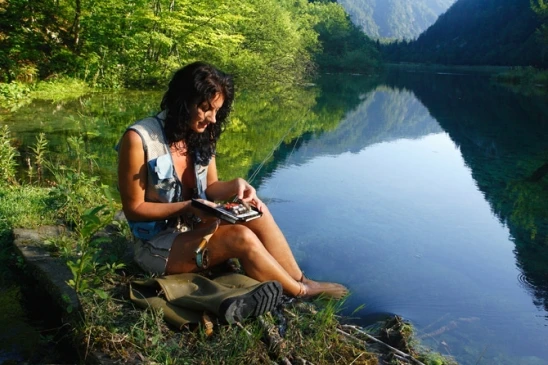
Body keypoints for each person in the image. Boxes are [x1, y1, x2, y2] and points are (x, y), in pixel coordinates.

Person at [117, 61, 347, 299]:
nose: (213, 118)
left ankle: (299, 278)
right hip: (157, 244)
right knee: (241, 237)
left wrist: (237, 185)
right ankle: (301, 292)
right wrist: (189, 206)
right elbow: (134, 210)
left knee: (257, 211)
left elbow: (211, 187)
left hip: (193, 227)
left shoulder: (202, 133)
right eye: (206, 108)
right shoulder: (139, 139)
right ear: (182, 101)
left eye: (217, 110)